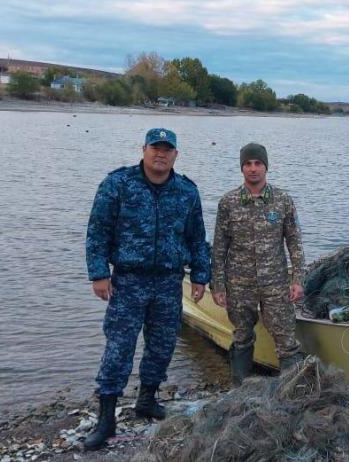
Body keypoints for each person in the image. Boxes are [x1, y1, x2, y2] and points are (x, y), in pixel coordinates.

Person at [83, 128, 211, 449]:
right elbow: (97, 232)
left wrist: (200, 276)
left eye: (168, 149)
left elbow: (196, 238)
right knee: (119, 347)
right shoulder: (118, 185)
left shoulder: (186, 192)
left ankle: (147, 400)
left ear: (175, 155)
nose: (161, 154)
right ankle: (107, 417)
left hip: (169, 282)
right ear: (144, 149)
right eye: (156, 147)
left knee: (162, 345)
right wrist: (98, 273)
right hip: (128, 281)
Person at [210, 142, 306, 385]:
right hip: (239, 285)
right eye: (248, 164)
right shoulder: (228, 202)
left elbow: (294, 243)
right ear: (242, 168)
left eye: (258, 163)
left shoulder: (282, 200)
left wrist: (297, 279)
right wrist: (218, 286)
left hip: (275, 284)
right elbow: (219, 248)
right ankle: (240, 389)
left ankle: (290, 395)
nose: (253, 169)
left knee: (286, 341)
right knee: (242, 336)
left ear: (266, 167)